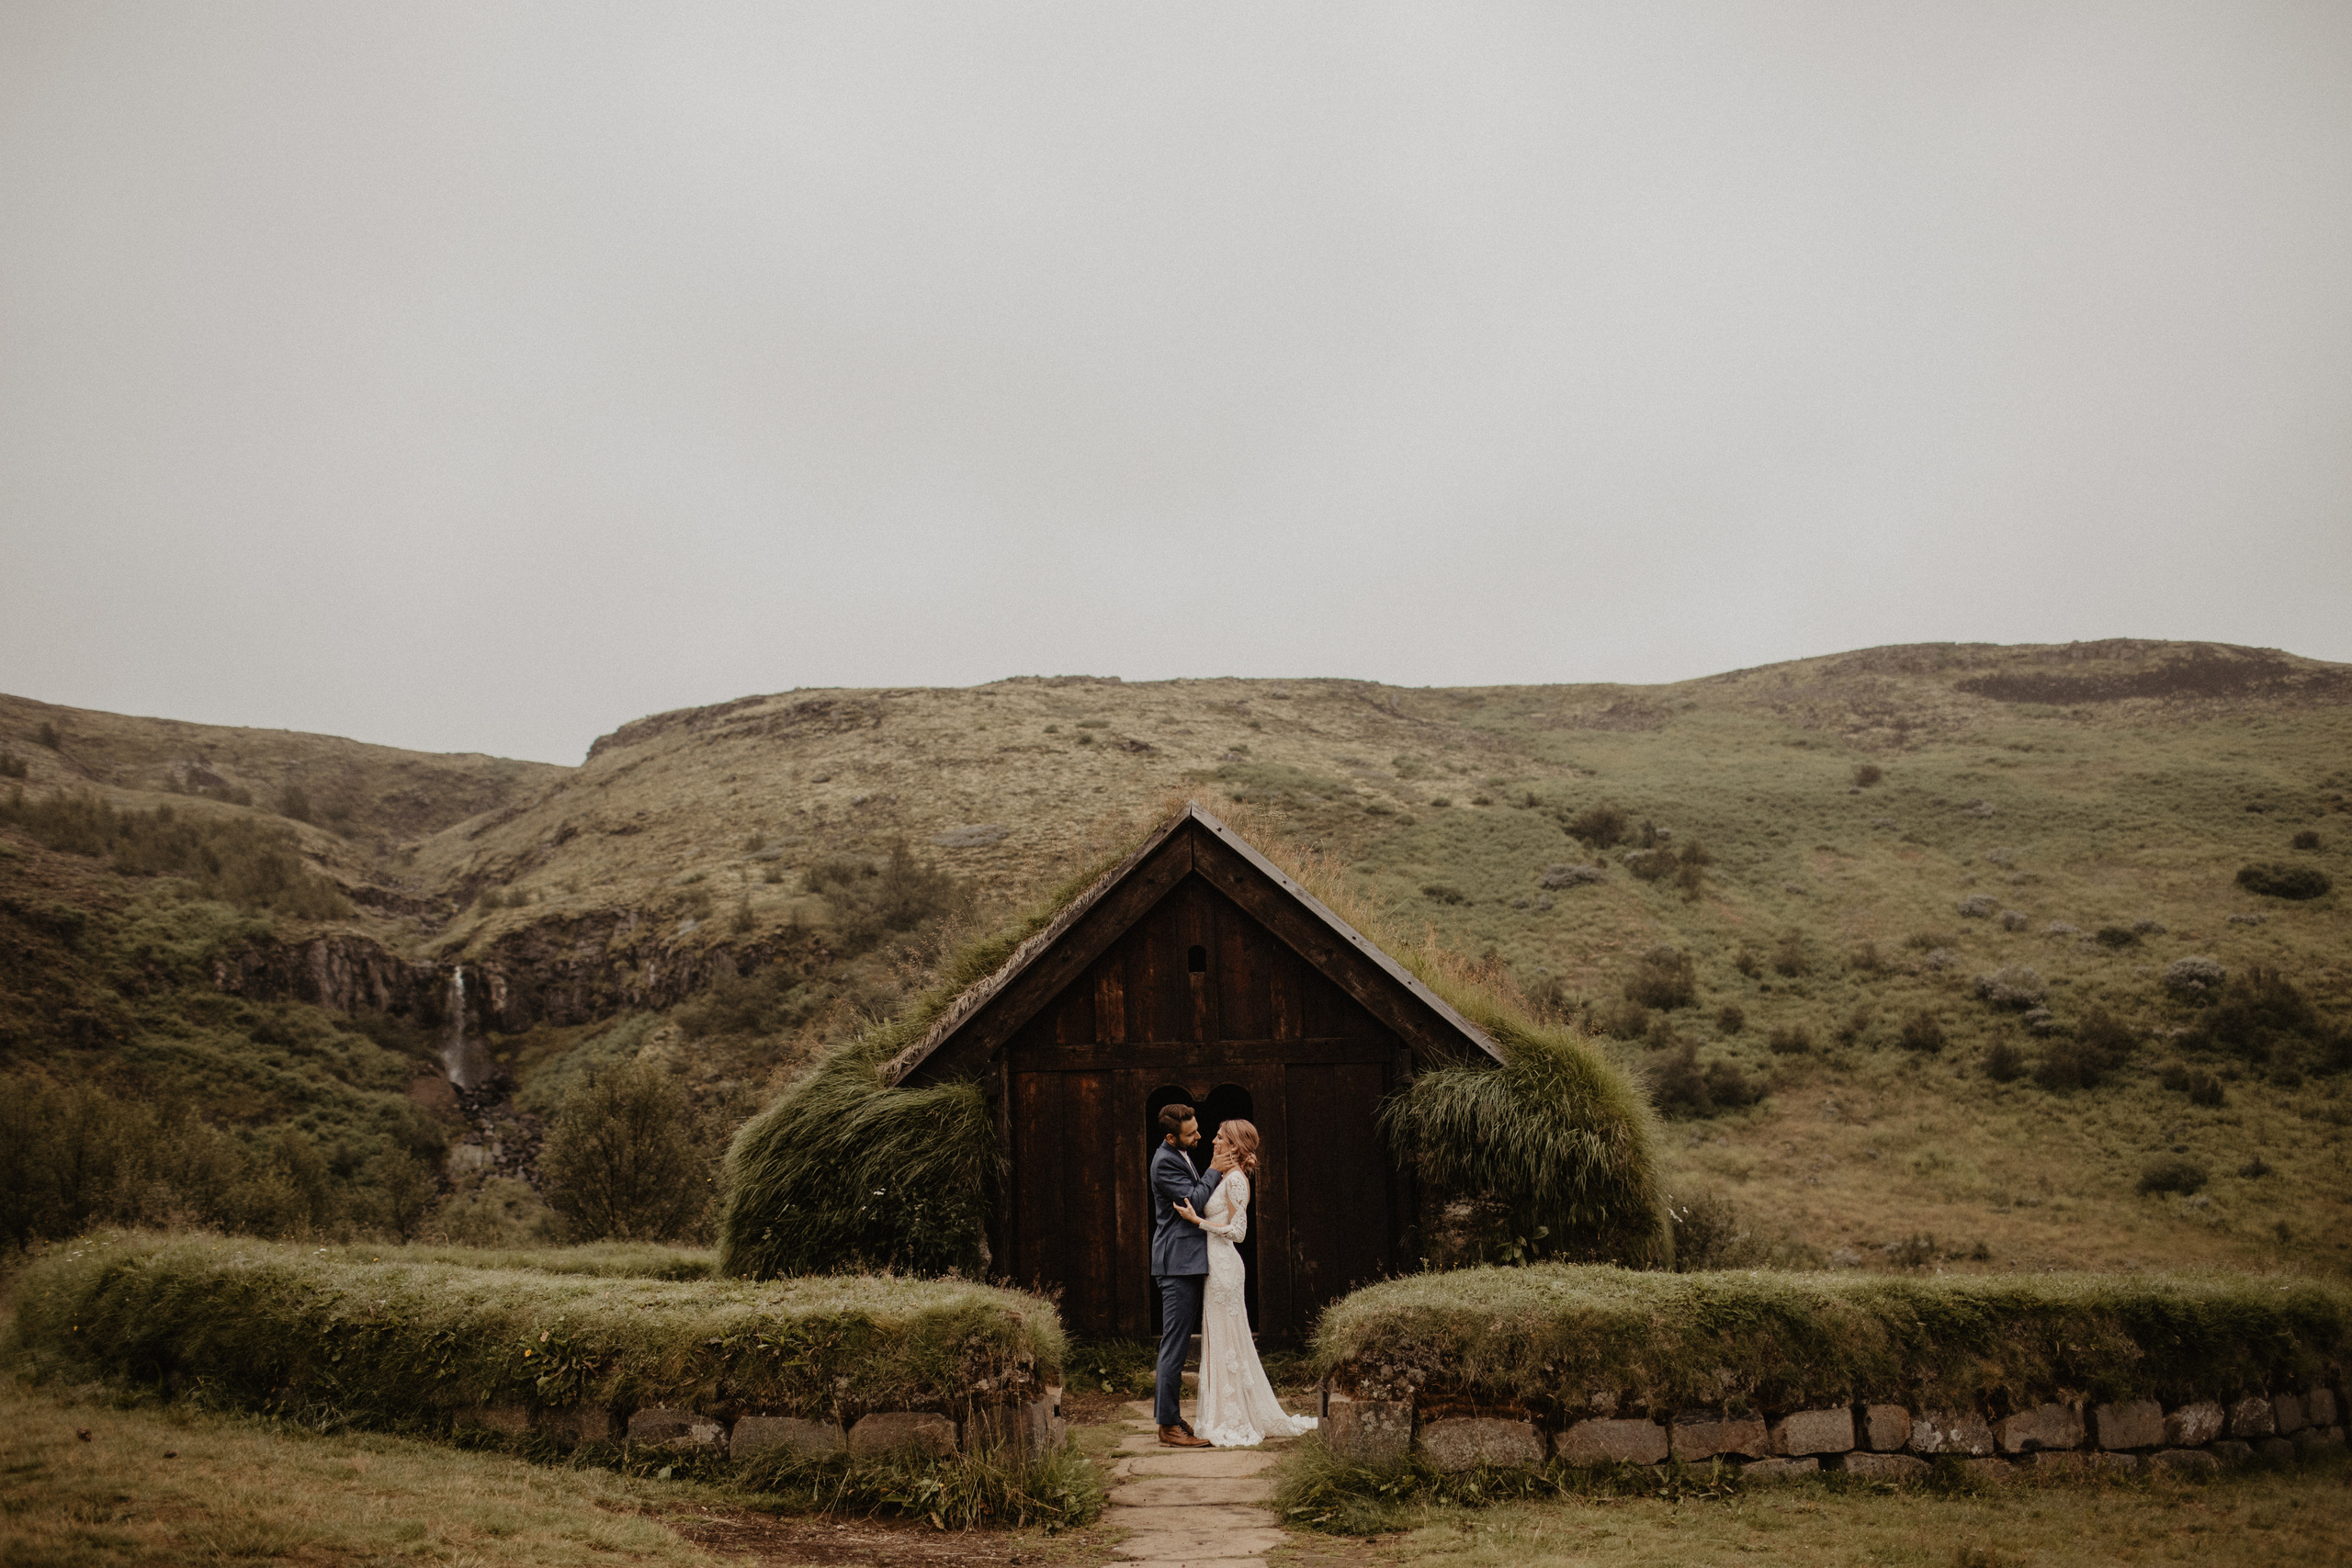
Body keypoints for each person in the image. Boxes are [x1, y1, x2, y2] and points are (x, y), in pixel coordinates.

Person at [1171, 1120, 1318, 1447]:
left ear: (1234, 1146)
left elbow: (1239, 1232)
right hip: (1216, 1268)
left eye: (1220, 1137)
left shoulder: (1236, 1181)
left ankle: (1233, 1417)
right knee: (1221, 1340)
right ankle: (1221, 1413)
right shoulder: (1225, 1177)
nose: (1213, 1140)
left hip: (1225, 1268)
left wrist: (1198, 1221)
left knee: (1228, 1341)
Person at [1148, 1102, 1233, 1448]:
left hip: (1187, 1261)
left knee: (1177, 1344)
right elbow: (1193, 1203)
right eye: (1191, 1133)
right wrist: (1214, 1168)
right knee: (1175, 1346)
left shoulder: (1178, 1154)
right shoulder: (1164, 1162)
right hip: (1176, 1264)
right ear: (1171, 1137)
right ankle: (1168, 1426)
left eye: (1197, 1128)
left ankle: (1171, 1418)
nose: (1198, 1135)